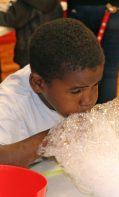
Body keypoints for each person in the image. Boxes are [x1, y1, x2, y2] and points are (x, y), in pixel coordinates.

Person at [0, 18, 105, 167]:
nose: (88, 100)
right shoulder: (10, 102)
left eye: (95, 85)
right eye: (76, 91)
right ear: (38, 83)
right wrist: (52, 139)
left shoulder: (65, 80)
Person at [67, 0, 119, 103]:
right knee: (110, 73)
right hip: (116, 8)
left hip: (80, 7)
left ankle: (82, 116)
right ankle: (106, 117)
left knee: (79, 70)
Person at [0, 0, 63, 68]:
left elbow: (10, 19)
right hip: (51, 48)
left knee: (27, 76)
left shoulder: (29, 3)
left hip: (30, 50)